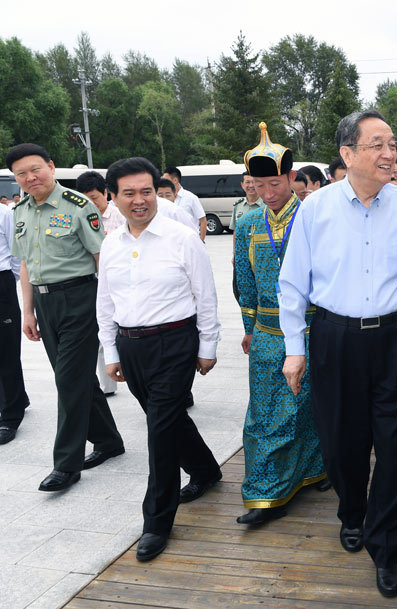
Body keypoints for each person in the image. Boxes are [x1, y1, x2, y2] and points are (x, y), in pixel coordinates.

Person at [280, 109, 397, 598]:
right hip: (335, 338)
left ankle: (386, 547)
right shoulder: (316, 208)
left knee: (394, 447)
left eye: (393, 144)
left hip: (394, 339)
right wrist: (294, 349)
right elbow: (293, 283)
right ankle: (352, 510)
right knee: (341, 443)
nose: (390, 154)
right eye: (377, 145)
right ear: (348, 154)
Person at [97, 157, 222, 562]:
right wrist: (112, 351)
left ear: (157, 191)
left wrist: (208, 347)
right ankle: (205, 470)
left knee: (159, 430)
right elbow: (105, 303)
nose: (139, 200)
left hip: (175, 344)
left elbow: (205, 296)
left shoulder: (181, 237)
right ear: (113, 198)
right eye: (129, 193)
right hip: (132, 348)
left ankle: (156, 522)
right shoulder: (111, 243)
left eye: (146, 191)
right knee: (165, 419)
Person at [7, 143, 124, 491]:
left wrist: (109, 310)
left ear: (51, 167)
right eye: (21, 174)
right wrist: (27, 310)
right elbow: (26, 263)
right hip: (45, 303)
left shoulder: (78, 206)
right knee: (74, 378)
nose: (30, 178)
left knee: (68, 381)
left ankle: (66, 464)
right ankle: (108, 441)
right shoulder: (21, 211)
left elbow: (102, 256)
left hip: (80, 298)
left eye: (35, 169)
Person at [234, 123, 328, 526]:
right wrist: (249, 326)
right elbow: (245, 282)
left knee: (310, 406)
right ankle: (266, 492)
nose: (268, 194)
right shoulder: (247, 225)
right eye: (259, 185)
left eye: (275, 183)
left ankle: (315, 468)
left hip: (315, 329)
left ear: (291, 178)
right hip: (270, 334)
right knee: (268, 414)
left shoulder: (315, 218)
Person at [75, 171, 123, 397]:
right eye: (84, 198)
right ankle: (107, 385)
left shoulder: (120, 215)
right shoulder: (79, 217)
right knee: (99, 333)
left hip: (119, 282)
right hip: (90, 284)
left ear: (106, 193)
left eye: (94, 197)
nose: (89, 203)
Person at [0, 199, 28, 444]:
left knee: (7, 351)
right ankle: (18, 397)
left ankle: (10, 417)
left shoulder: (4, 213)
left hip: (1, 283)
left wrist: (9, 284)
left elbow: (16, 253)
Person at [231, 172, 262, 302]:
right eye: (247, 182)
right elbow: (235, 232)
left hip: (260, 256)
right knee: (240, 290)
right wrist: (235, 253)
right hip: (243, 257)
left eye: (253, 182)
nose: (250, 185)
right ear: (242, 185)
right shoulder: (238, 206)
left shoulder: (266, 205)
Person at [162, 167, 207, 241]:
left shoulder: (191, 198)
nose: (163, 183)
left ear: (175, 180)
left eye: (166, 180)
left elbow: (203, 220)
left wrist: (201, 241)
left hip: (188, 241)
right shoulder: (163, 199)